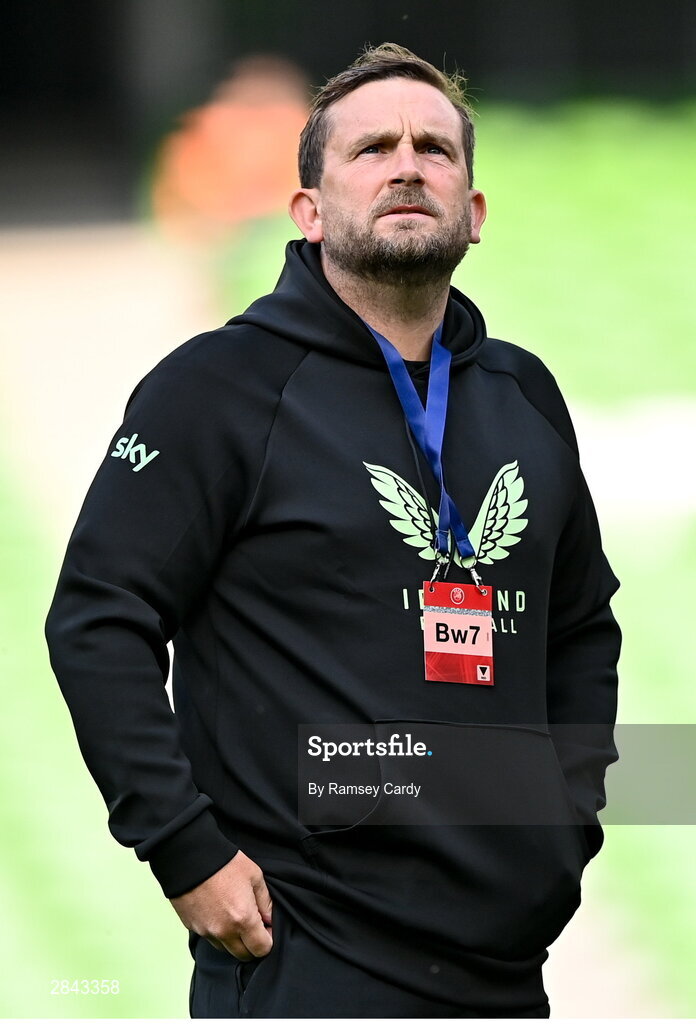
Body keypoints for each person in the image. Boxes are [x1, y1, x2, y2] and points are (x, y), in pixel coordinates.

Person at [45, 43, 621, 1019]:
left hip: (505, 970)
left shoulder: (525, 393)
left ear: (473, 215)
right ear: (309, 210)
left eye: (436, 149)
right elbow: (97, 619)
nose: (408, 164)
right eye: (373, 149)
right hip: (306, 956)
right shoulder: (215, 390)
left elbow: (581, 627)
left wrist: (566, 832)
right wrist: (185, 850)